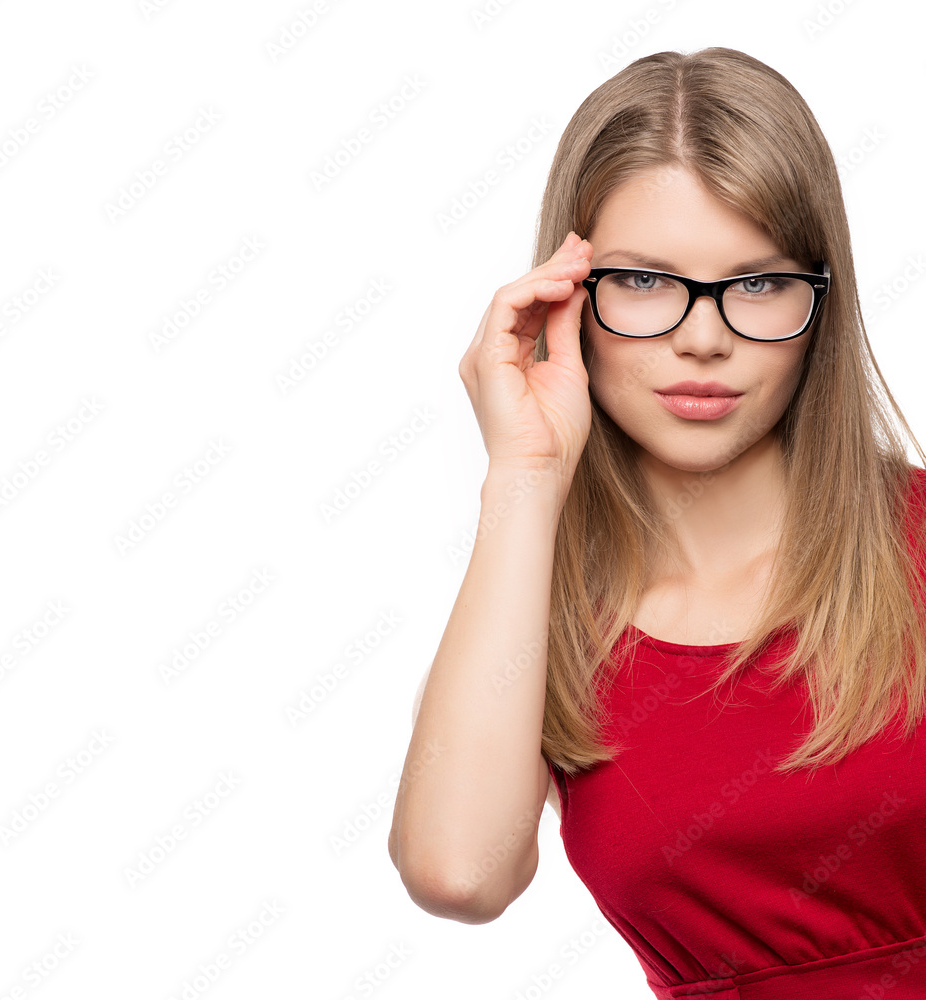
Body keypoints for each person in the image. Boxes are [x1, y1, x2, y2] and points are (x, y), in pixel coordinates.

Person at [388, 46, 926, 998]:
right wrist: (524, 474)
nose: (703, 336)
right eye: (642, 281)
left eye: (757, 283)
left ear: (820, 303)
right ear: (568, 296)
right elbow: (459, 874)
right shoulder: (540, 612)